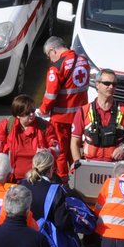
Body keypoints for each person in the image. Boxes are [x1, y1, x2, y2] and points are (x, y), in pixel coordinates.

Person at [39, 36, 90, 174]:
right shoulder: (84, 61)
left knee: (60, 151)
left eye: (48, 55)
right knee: (74, 150)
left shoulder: (56, 67)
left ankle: (63, 180)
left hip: (61, 118)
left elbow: (50, 95)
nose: (50, 59)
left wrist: (42, 110)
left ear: (53, 50)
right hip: (79, 117)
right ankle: (78, 178)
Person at [73, 69, 124, 165]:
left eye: (114, 84)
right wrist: (78, 165)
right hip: (89, 163)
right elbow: (74, 142)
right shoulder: (83, 111)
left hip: (115, 165)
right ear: (97, 84)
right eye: (107, 83)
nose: (111, 87)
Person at [0, 94, 60, 180]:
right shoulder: (6, 125)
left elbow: (57, 148)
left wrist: (47, 151)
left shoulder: (45, 126)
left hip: (37, 180)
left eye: (33, 110)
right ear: (17, 115)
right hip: (11, 180)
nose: (32, 114)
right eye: (27, 113)